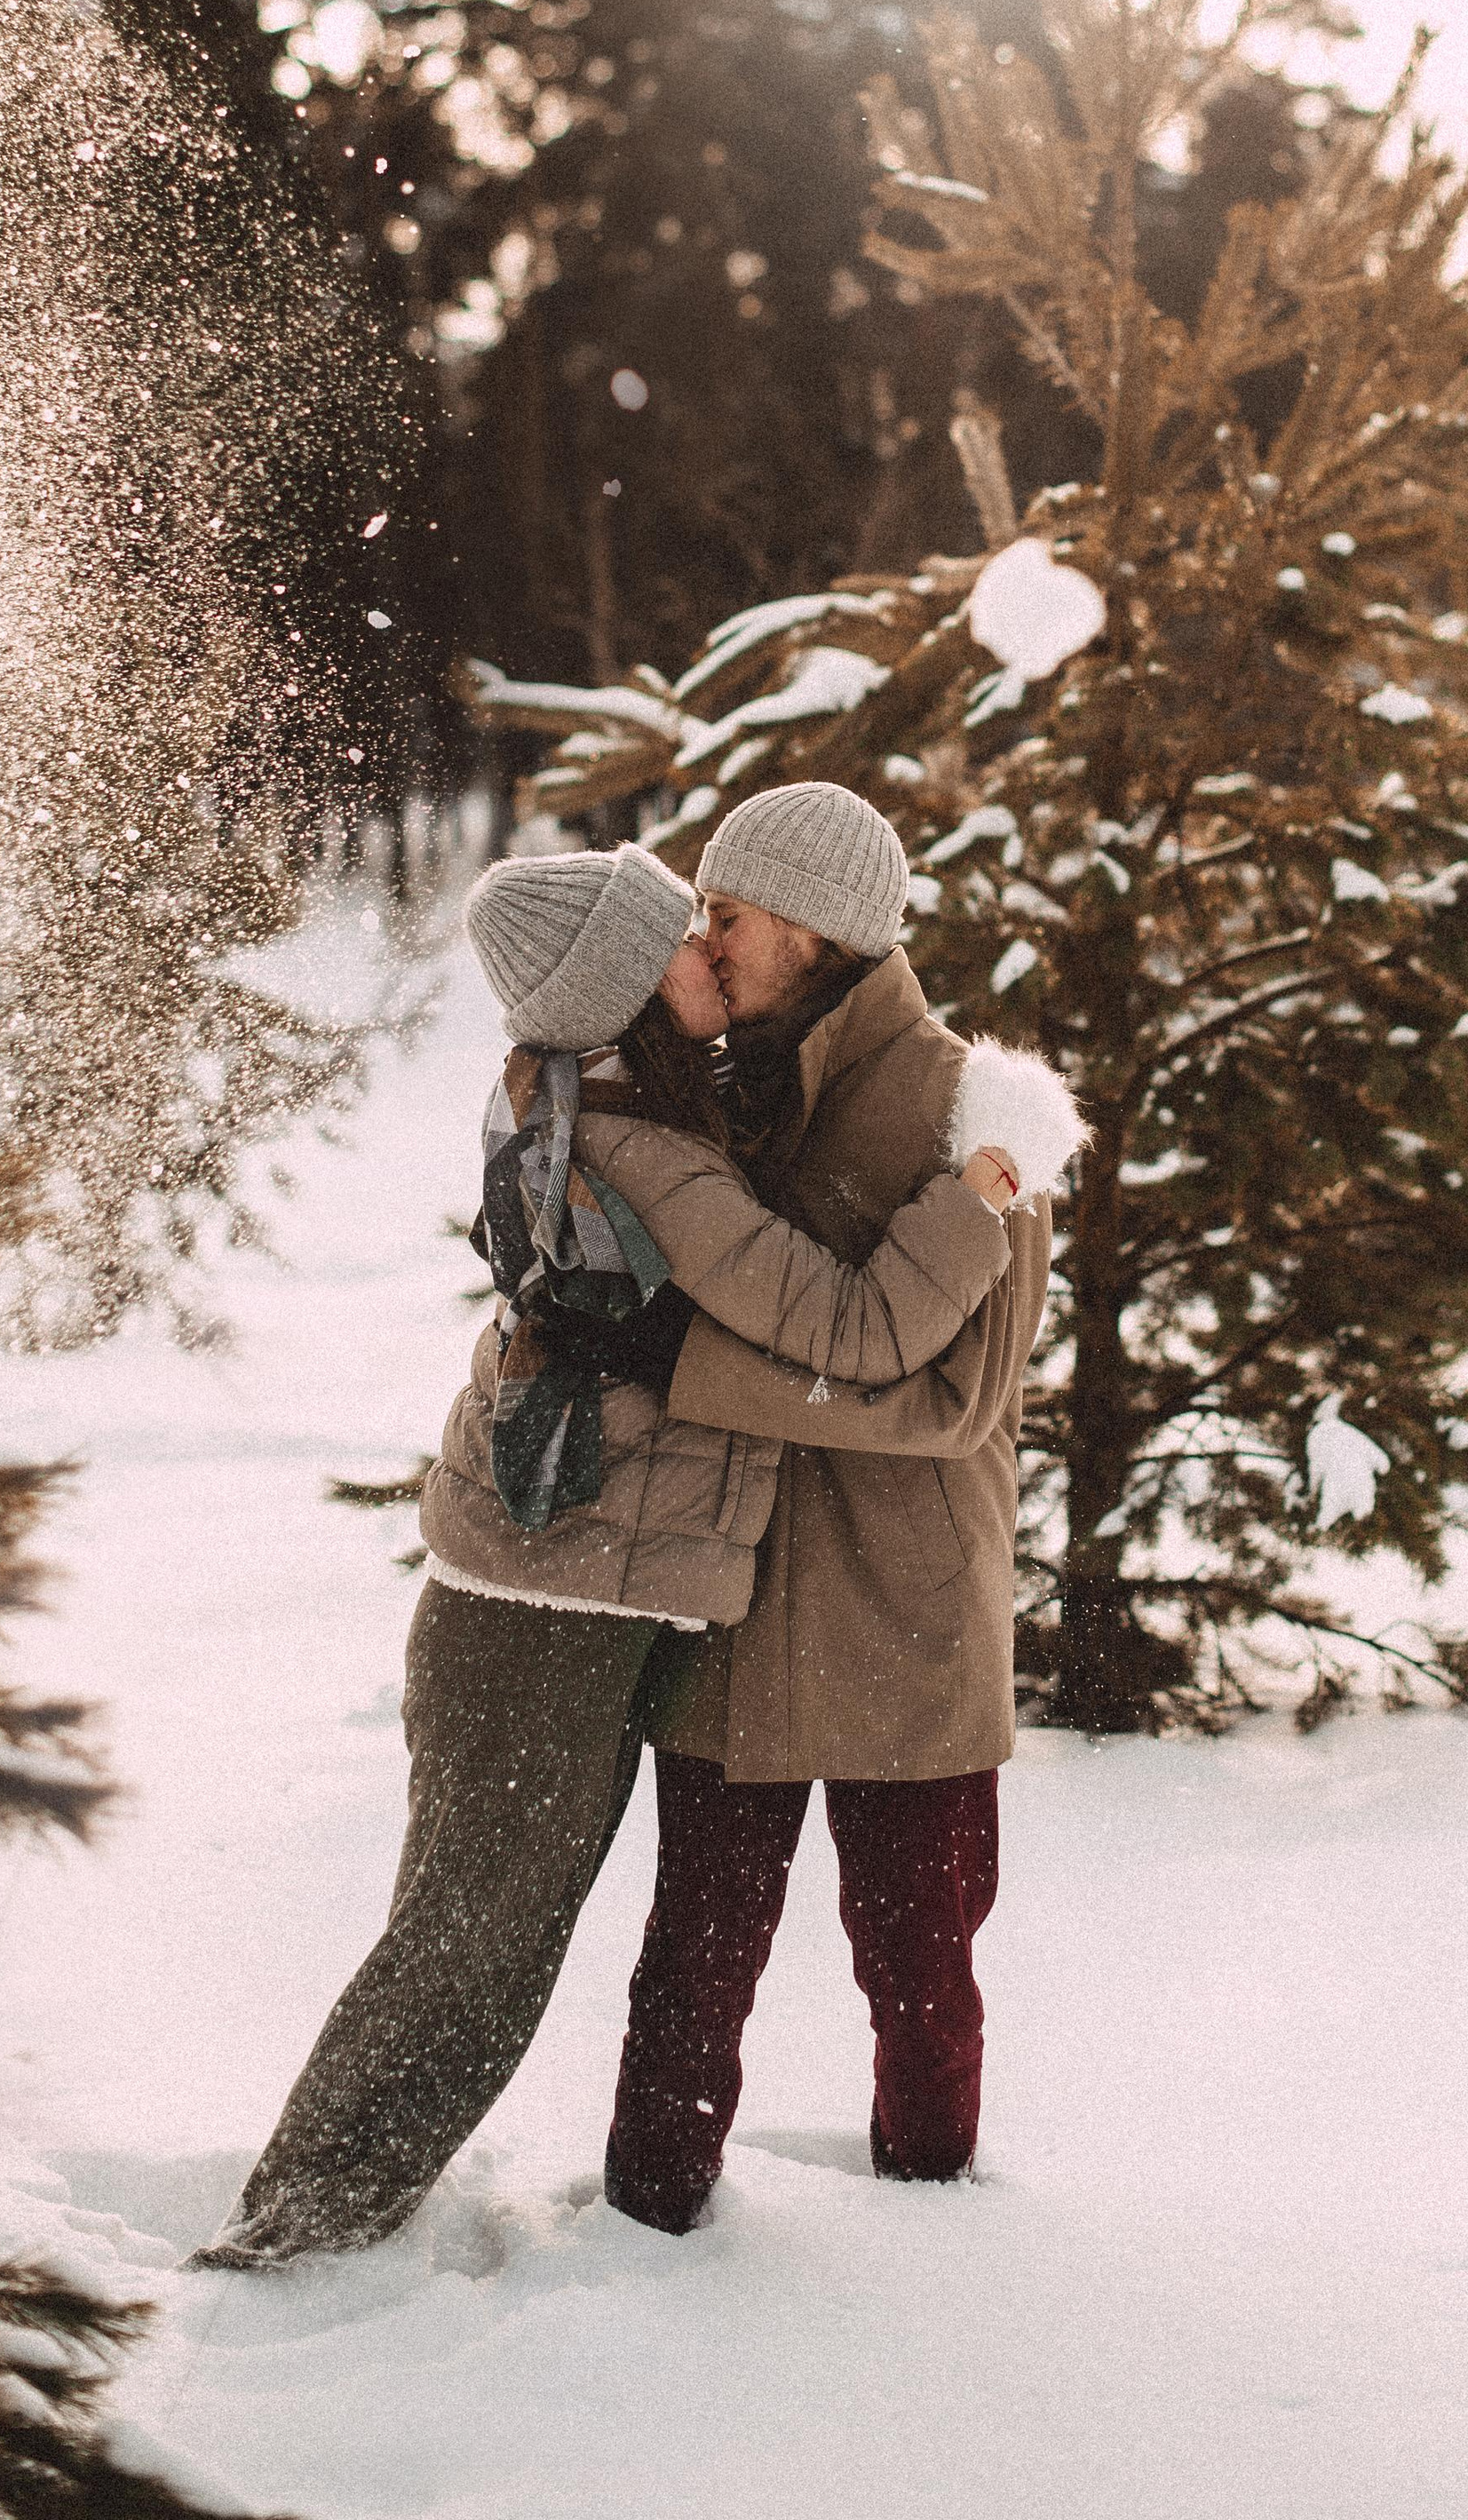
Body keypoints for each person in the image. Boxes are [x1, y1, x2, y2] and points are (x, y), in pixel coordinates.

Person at [191, 838, 1058, 2271]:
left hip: (570, 1582)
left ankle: (309, 2219)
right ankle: (288, 2239)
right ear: (622, 988)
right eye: (686, 934)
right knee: (474, 1949)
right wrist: (979, 1193)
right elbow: (851, 1330)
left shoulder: (622, 1097)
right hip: (550, 1593)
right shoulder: (639, 1136)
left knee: (485, 1938)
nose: (709, 952)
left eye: (724, 921)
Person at [593, 783, 1074, 2236]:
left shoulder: (976, 1116)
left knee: (919, 1968)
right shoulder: (711, 1079)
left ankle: (934, 2269)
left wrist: (693, 1370)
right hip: (735, 1598)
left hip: (909, 1619)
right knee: (692, 1960)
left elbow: (957, 1405)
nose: (704, 938)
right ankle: (638, 2247)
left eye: (725, 913)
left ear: (803, 927)